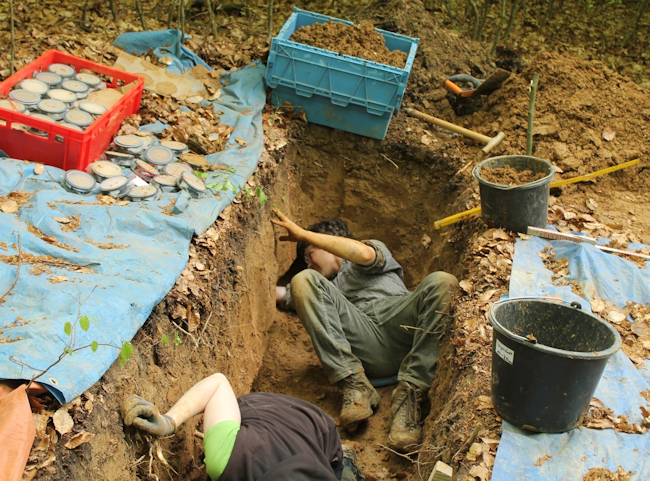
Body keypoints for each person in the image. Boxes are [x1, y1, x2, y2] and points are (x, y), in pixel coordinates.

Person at [272, 210, 459, 453]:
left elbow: (361, 253)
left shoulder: (370, 250)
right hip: (364, 342)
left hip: (404, 325)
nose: (309, 263)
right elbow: (279, 293)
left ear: (328, 243)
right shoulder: (322, 286)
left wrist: (306, 235)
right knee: (302, 279)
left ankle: (410, 395)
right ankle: (355, 385)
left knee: (443, 281)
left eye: (310, 254)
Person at [121, 373, 364, 480]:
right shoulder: (229, 458)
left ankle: (345, 462)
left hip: (314, 441)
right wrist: (168, 422)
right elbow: (218, 384)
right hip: (276, 413)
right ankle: (346, 460)